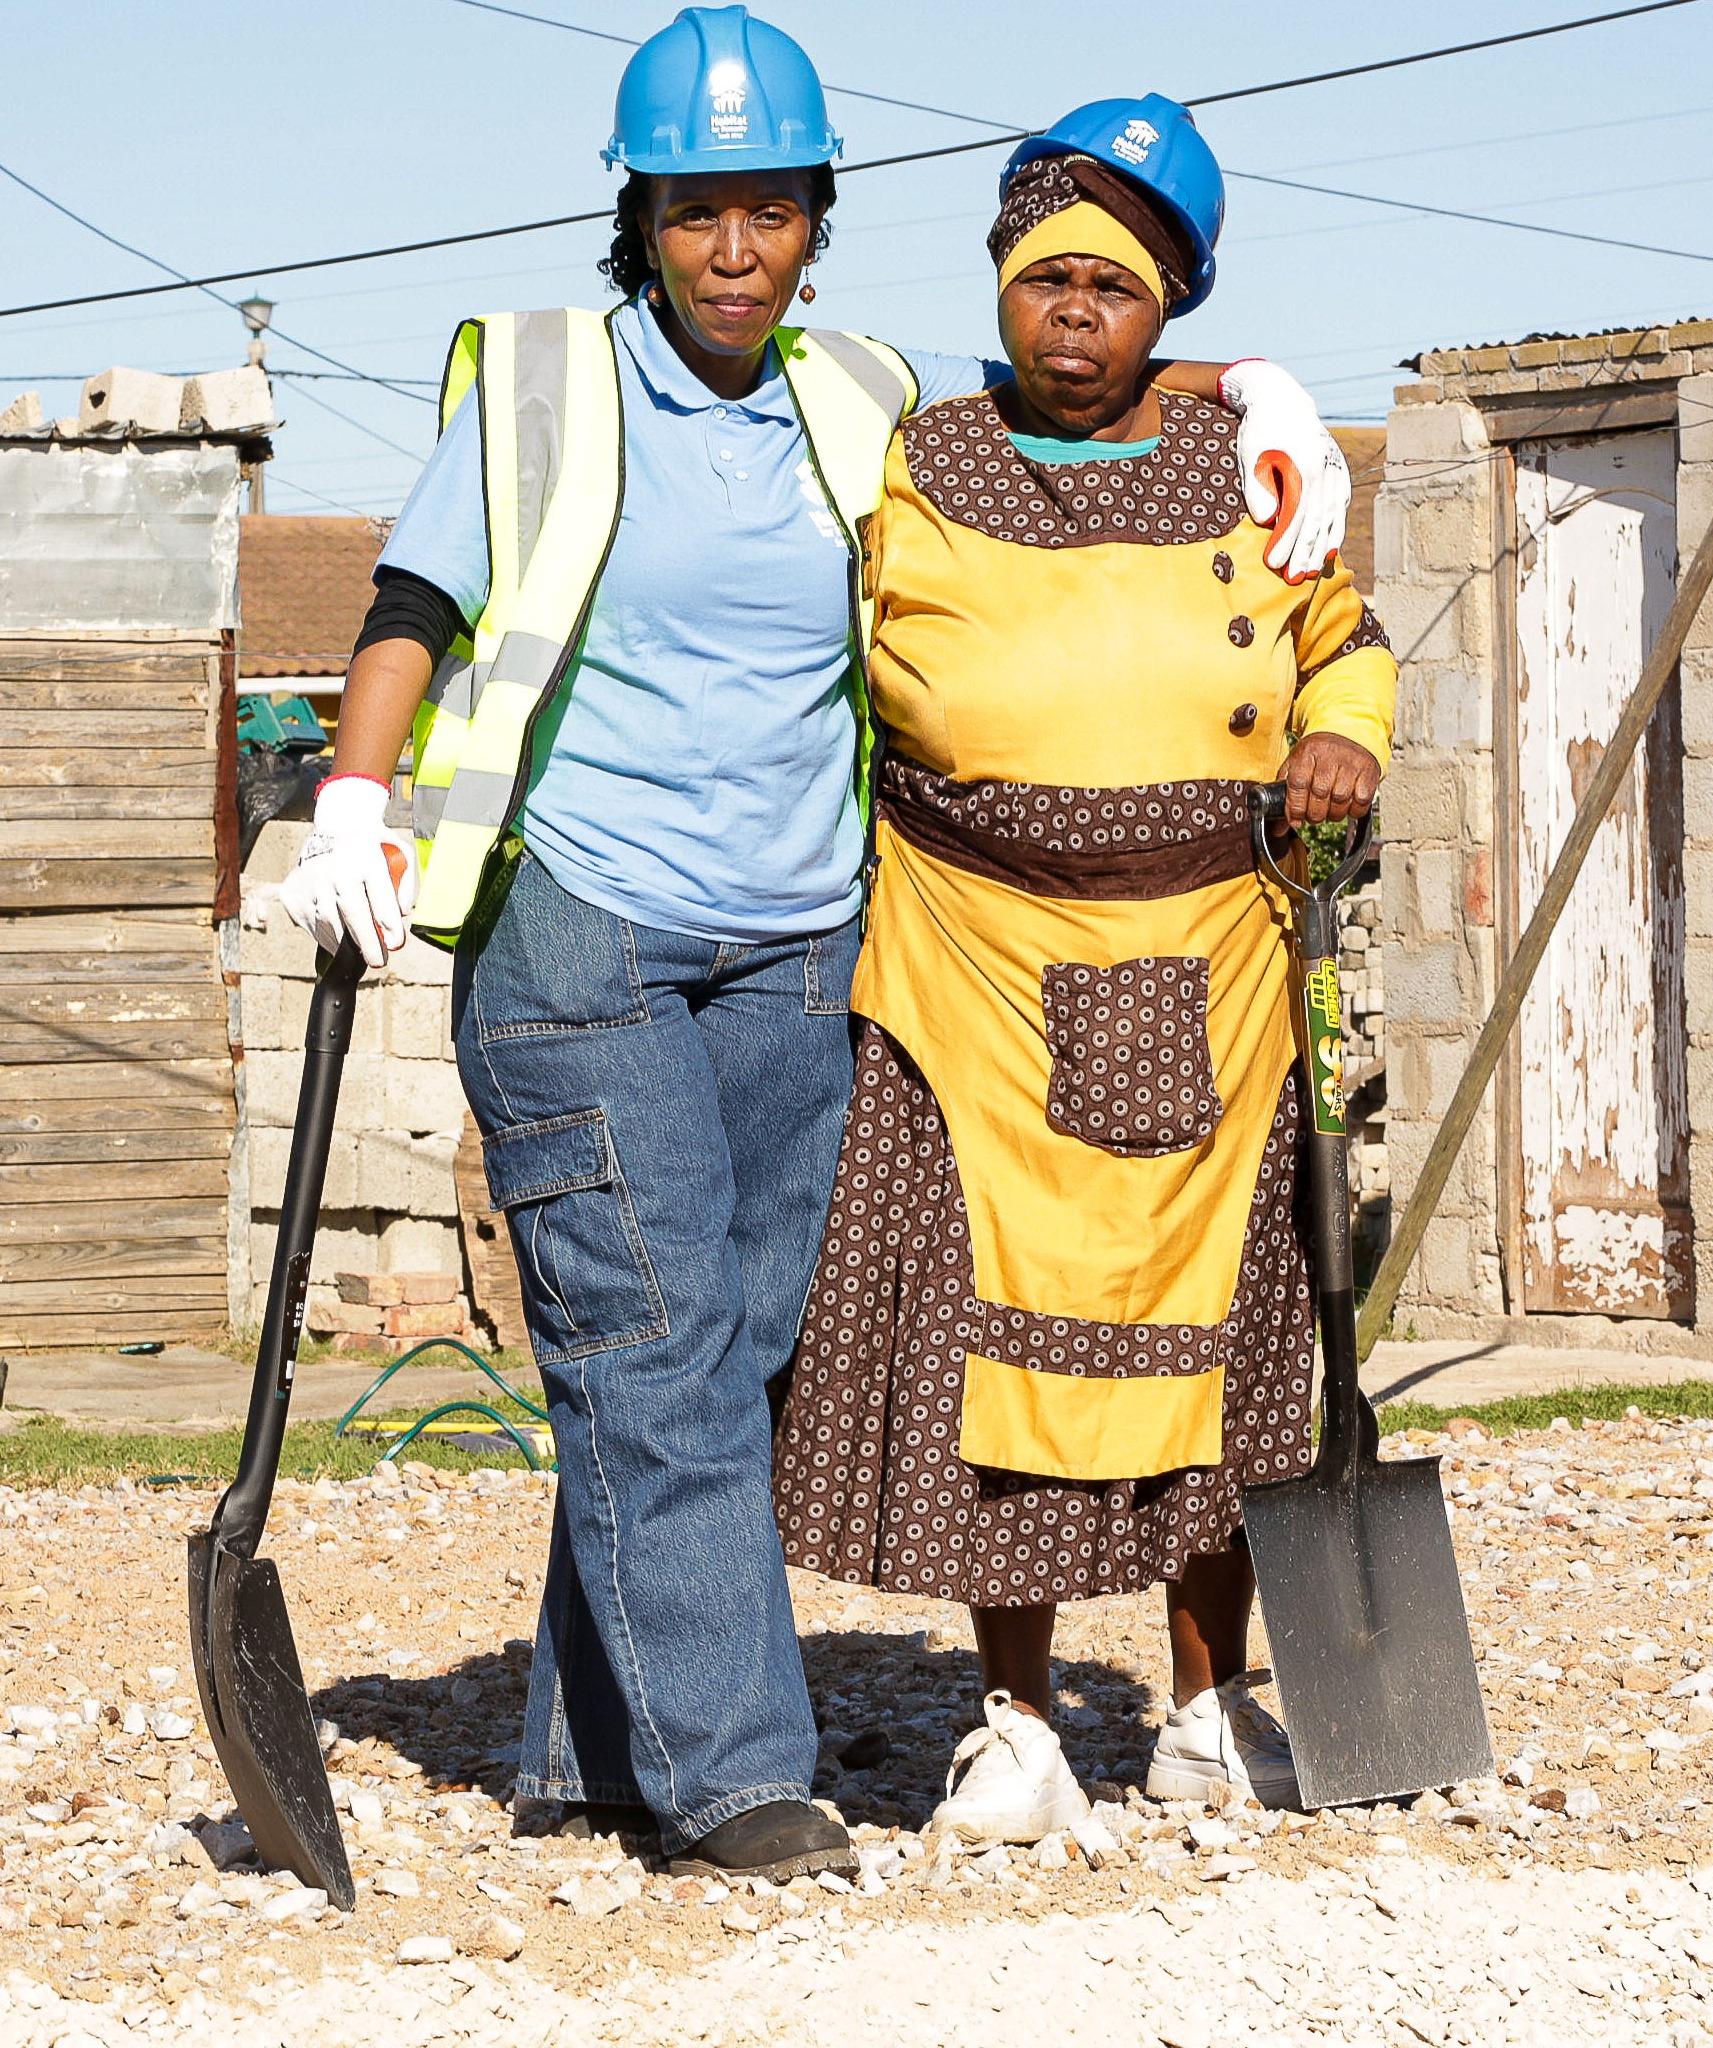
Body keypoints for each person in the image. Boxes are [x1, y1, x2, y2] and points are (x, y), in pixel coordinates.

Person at [267, 10, 1359, 1883]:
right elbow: (414, 601)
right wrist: (355, 801)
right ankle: (733, 1776)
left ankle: (588, 1744)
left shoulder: (857, 401)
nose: (733, 250)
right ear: (643, 217)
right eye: (697, 213)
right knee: (660, 1337)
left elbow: (1063, 394)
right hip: (581, 922)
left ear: (815, 222)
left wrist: (1249, 388)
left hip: (794, 942)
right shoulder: (544, 386)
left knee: (738, 1353)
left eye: (769, 212)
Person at [771, 100, 1393, 1844]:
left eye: (1112, 290)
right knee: (995, 1352)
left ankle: (1204, 1712)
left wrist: (1343, 743)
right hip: (971, 963)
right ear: (998, 288)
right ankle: (1015, 1725)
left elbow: (1348, 650)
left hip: (1221, 965)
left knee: (1231, 1343)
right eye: (1043, 278)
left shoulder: (1258, 480)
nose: (1072, 314)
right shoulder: (912, 457)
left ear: (1164, 311)